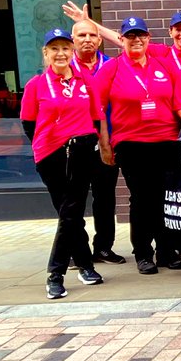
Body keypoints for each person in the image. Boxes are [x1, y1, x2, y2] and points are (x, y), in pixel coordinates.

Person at [92, 17, 181, 274]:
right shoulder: (111, 69)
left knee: (167, 197)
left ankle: (167, 250)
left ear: (148, 38)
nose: (136, 40)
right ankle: (143, 252)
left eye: (140, 35)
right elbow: (97, 108)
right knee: (143, 198)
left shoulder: (163, 65)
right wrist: (105, 143)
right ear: (121, 40)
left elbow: (177, 102)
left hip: (167, 140)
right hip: (132, 143)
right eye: (130, 36)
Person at [21, 28, 105, 298]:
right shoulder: (36, 85)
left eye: (65, 48)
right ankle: (74, 267)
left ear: (72, 52)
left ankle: (64, 271)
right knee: (69, 214)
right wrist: (49, 144)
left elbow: (96, 117)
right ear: (45, 53)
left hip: (81, 152)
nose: (61, 54)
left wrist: (99, 146)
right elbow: (29, 123)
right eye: (54, 49)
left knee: (71, 212)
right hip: (50, 156)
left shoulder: (85, 80)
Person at [70, 18, 124, 264]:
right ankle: (75, 250)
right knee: (75, 199)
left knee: (105, 197)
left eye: (92, 35)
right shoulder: (65, 68)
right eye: (81, 35)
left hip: (107, 143)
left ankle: (103, 247)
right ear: (73, 41)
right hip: (75, 145)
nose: (87, 40)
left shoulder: (111, 65)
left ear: (100, 39)